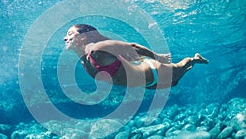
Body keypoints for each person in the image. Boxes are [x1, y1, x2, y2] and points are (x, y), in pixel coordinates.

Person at [63, 24, 209, 89]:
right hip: (147, 84)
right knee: (174, 83)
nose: (65, 38)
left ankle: (194, 59)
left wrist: (157, 57)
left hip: (155, 71)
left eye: (70, 34)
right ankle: (190, 64)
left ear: (84, 37)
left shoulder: (96, 51)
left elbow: (132, 46)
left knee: (181, 67)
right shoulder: (84, 60)